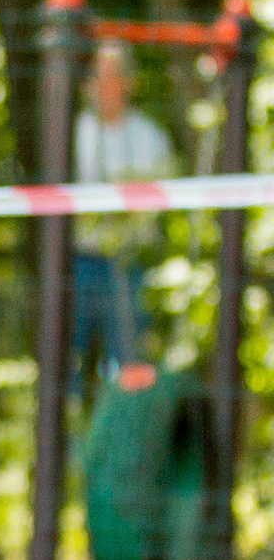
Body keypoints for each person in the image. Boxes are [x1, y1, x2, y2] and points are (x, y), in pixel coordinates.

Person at [72, 43, 173, 389]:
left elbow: (155, 209)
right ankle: (71, 433)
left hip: (130, 261)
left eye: (111, 77)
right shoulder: (70, 136)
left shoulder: (150, 138)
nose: (102, 86)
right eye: (96, 77)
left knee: (129, 357)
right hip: (79, 260)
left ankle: (126, 434)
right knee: (69, 354)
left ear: (128, 82)